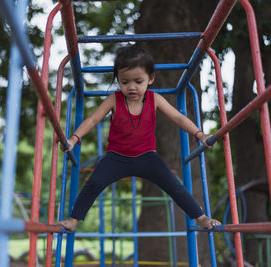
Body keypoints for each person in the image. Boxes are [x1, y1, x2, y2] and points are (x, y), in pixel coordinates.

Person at [57, 44, 221, 232]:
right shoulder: (114, 99)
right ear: (118, 80)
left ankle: (200, 217)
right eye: (125, 82)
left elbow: (177, 117)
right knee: (94, 182)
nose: (131, 87)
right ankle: (73, 220)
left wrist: (199, 135)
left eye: (138, 81)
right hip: (116, 157)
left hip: (147, 157)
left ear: (150, 79)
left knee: (173, 184)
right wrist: (73, 138)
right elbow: (93, 119)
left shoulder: (155, 99)